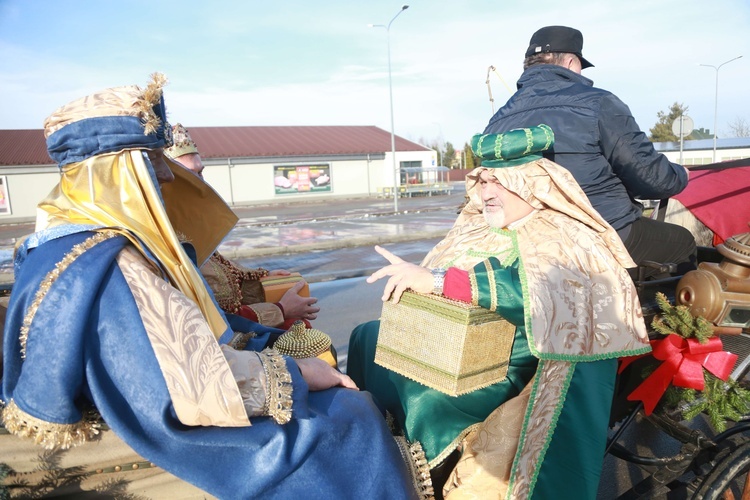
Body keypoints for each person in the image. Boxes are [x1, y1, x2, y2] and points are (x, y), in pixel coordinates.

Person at [1, 74, 431, 499]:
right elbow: (184, 385)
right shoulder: (111, 261)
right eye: (153, 163)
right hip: (167, 420)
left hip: (156, 392)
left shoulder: (73, 241)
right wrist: (299, 373)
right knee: (351, 419)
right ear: (118, 174)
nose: (168, 179)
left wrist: (269, 330)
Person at [347, 125, 651, 499]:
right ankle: (370, 451)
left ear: (532, 184)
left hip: (512, 361)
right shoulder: (476, 224)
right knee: (367, 337)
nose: (486, 192)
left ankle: (419, 482)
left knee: (427, 400)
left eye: (498, 182)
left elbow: (536, 288)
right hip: (453, 341)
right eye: (483, 180)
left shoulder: (567, 234)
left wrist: (440, 281)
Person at [484, 25, 696, 278]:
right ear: (572, 61)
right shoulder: (598, 103)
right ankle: (647, 314)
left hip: (530, 239)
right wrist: (679, 174)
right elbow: (652, 180)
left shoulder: (498, 120)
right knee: (682, 242)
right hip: (597, 233)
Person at [165, 123, 320, 329]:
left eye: (201, 173)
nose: (201, 183)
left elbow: (223, 275)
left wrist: (263, 278)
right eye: (189, 175)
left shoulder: (188, 226)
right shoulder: (163, 236)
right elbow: (214, 318)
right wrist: (281, 310)